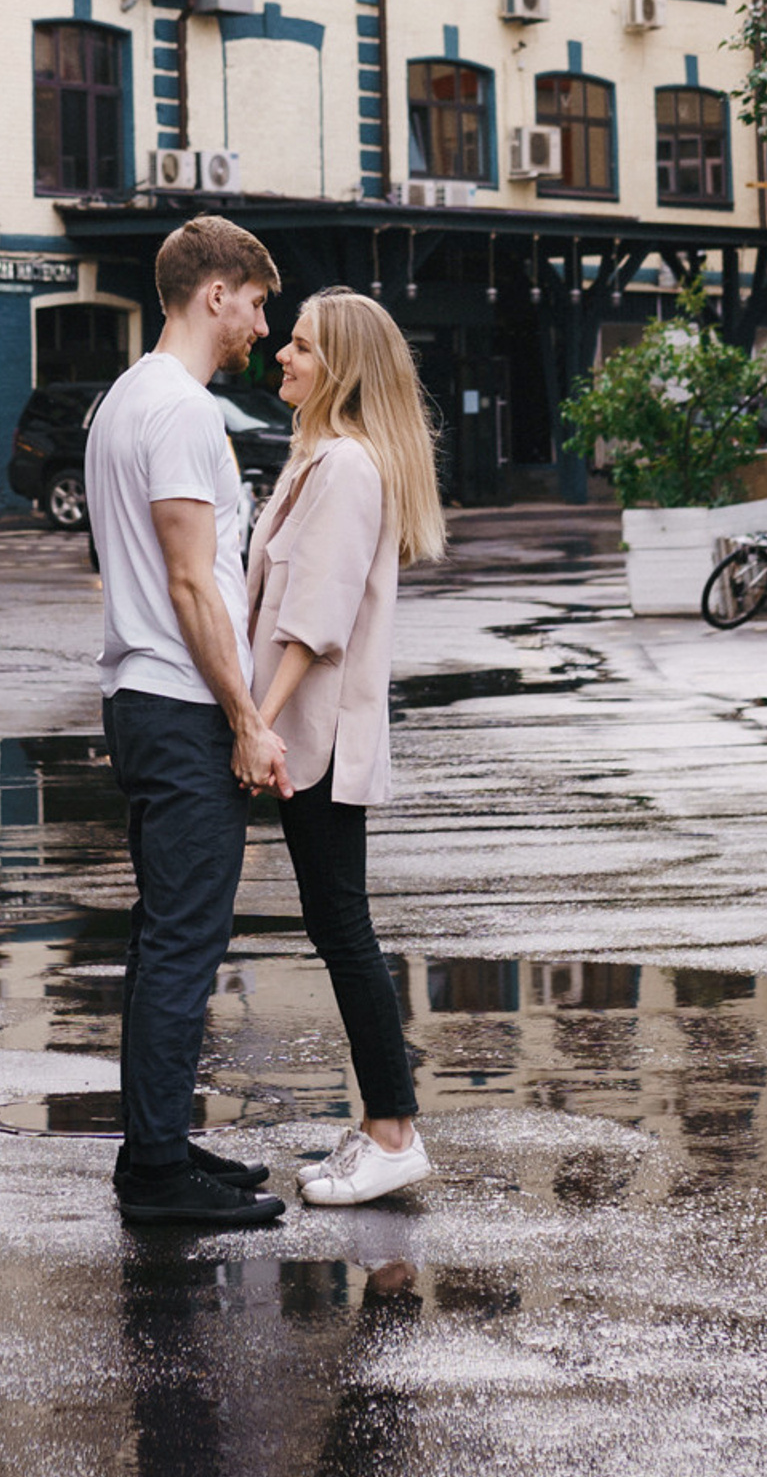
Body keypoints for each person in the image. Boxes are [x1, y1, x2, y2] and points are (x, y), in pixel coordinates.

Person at [89, 213, 290, 1230]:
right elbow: (189, 583)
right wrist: (248, 718)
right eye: (256, 303)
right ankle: (156, 1175)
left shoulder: (130, 400)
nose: (262, 325)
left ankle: (159, 1145)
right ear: (215, 292)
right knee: (182, 942)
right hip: (178, 701)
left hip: (148, 695)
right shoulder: (176, 410)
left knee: (163, 938)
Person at [250, 286, 445, 1208]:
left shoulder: (346, 469)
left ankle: (394, 1133)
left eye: (301, 346)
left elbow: (313, 622)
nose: (281, 355)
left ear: (343, 368)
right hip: (305, 737)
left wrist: (257, 724)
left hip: (314, 739)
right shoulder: (315, 460)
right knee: (341, 929)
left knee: (345, 931)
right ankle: (384, 1127)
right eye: (285, 340)